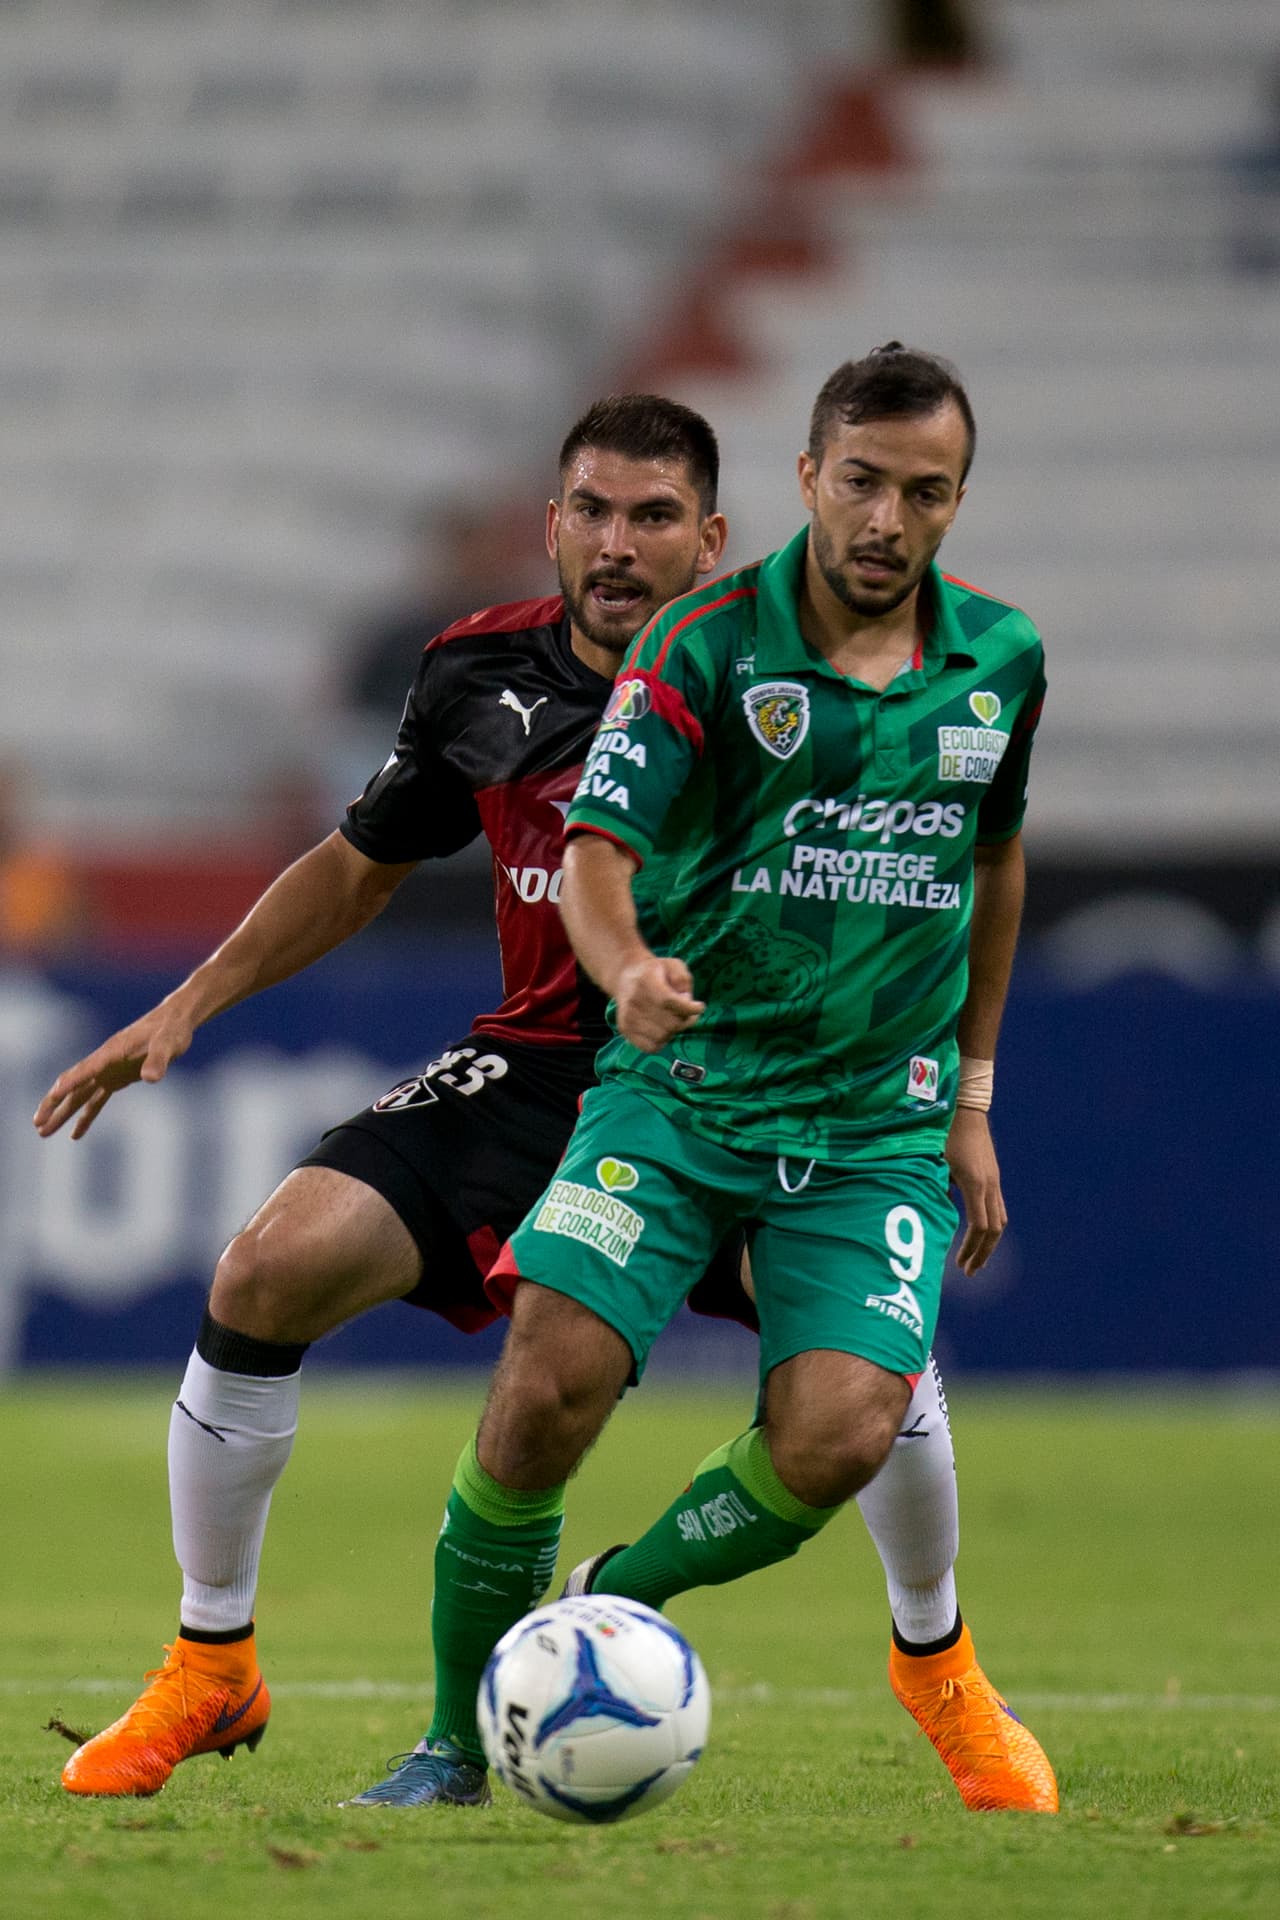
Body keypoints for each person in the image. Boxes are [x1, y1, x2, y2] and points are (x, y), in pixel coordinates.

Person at [33, 389, 1045, 1814]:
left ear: (716, 536)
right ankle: (214, 1663)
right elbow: (360, 861)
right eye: (594, 512)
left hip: (743, 1081)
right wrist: (188, 1001)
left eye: (654, 518)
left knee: (869, 1388)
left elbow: (946, 856)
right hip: (544, 1068)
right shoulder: (479, 678)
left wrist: (958, 1092)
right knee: (269, 1266)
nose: (619, 546)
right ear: (553, 522)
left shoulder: (774, 675)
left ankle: (938, 1661)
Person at [418, 349, 1058, 1815]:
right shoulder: (707, 642)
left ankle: (600, 1606)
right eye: (863, 482)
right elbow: (592, 856)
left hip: (872, 1122)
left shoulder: (1003, 658)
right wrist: (629, 967)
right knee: (546, 1377)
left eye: (927, 491)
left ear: (958, 500)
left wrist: (972, 1102)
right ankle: (453, 1749)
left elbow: (997, 857)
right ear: (807, 478)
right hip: (686, 1087)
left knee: (844, 1430)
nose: (890, 519)